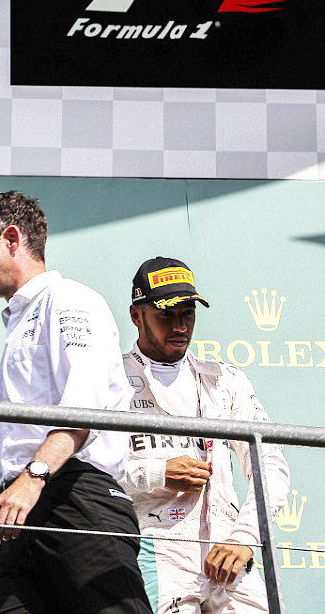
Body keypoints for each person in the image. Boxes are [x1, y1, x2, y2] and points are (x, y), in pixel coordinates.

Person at [0, 191, 153, 614]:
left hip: (76, 499)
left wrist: (33, 477)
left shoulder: (69, 300)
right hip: (23, 514)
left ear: (11, 239)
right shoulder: (19, 319)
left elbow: (83, 409)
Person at [121, 257, 290, 613]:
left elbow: (270, 465)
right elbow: (89, 473)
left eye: (188, 314)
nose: (180, 325)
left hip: (228, 546)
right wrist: (157, 472)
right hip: (157, 545)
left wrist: (245, 537)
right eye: (166, 315)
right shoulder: (111, 380)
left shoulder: (224, 380)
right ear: (137, 316)